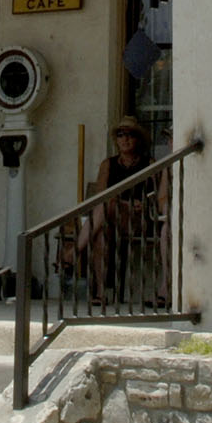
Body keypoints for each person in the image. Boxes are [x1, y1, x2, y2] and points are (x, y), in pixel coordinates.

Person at [70, 116, 157, 307]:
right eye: (121, 134)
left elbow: (156, 197)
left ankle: (75, 251)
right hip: (110, 218)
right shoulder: (108, 164)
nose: (125, 139)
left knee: (105, 210)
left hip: (136, 219)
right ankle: (101, 294)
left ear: (138, 139)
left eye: (130, 135)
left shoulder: (149, 163)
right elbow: (101, 196)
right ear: (116, 139)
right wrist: (119, 202)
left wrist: (142, 204)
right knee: (100, 232)